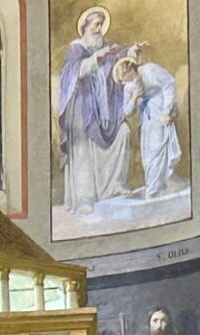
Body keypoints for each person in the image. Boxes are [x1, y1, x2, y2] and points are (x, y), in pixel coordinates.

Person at [56, 9, 142, 215]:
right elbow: (70, 72)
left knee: (123, 132)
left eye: (102, 25)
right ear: (85, 27)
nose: (99, 29)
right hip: (83, 105)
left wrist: (133, 51)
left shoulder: (108, 47)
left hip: (106, 107)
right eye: (96, 24)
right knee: (83, 147)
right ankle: (85, 198)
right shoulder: (76, 48)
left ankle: (114, 185)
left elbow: (122, 60)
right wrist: (95, 58)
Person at [113, 55, 181, 198]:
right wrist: (134, 97)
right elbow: (127, 111)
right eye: (122, 80)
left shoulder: (150, 70)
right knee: (147, 152)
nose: (125, 82)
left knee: (158, 147)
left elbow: (169, 84)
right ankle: (154, 185)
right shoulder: (129, 86)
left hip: (159, 108)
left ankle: (156, 188)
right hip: (146, 117)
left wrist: (167, 111)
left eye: (124, 77)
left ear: (130, 68)